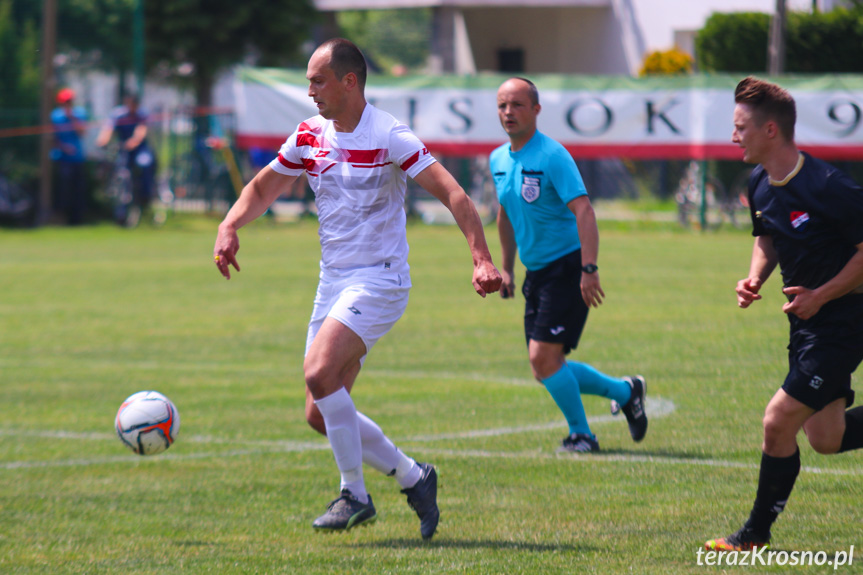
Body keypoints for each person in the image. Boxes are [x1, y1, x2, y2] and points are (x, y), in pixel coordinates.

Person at [212, 38, 502, 539]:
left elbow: (454, 193)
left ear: (350, 81)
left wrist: (481, 259)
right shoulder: (309, 136)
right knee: (319, 411)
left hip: (381, 279)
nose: (310, 92)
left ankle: (355, 495)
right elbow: (264, 186)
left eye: (318, 80)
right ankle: (415, 477)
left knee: (319, 372)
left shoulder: (389, 135)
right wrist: (231, 224)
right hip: (334, 281)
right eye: (308, 81)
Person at [705, 77, 863, 551]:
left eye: (740, 128)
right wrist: (754, 276)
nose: (734, 137)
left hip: (844, 320)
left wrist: (823, 294)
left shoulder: (830, 186)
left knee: (777, 421)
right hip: (806, 323)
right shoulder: (759, 182)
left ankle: (754, 534)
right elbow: (767, 238)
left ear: (770, 130)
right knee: (826, 438)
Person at [490, 77, 647, 454]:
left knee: (543, 358)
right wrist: (507, 268)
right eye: (502, 106)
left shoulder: (552, 156)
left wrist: (588, 269)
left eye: (517, 105)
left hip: (567, 267)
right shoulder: (498, 158)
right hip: (537, 272)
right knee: (545, 367)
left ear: (537, 110)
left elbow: (584, 211)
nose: (509, 112)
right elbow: (506, 214)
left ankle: (583, 436)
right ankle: (626, 392)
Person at [96, 94, 156, 225]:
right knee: (121, 173)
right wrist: (102, 141)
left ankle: (146, 196)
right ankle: (121, 212)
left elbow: (141, 131)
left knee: (145, 163)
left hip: (140, 149)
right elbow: (108, 129)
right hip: (124, 149)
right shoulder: (118, 114)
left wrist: (135, 140)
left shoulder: (142, 114)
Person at [51, 88, 88, 225]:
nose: (68, 104)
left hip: (78, 158)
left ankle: (77, 220)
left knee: (78, 190)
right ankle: (62, 218)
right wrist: (63, 147)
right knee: (63, 190)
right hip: (62, 159)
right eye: (66, 102)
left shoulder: (80, 114)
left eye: (70, 101)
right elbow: (51, 138)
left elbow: (82, 133)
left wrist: (72, 117)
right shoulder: (55, 116)